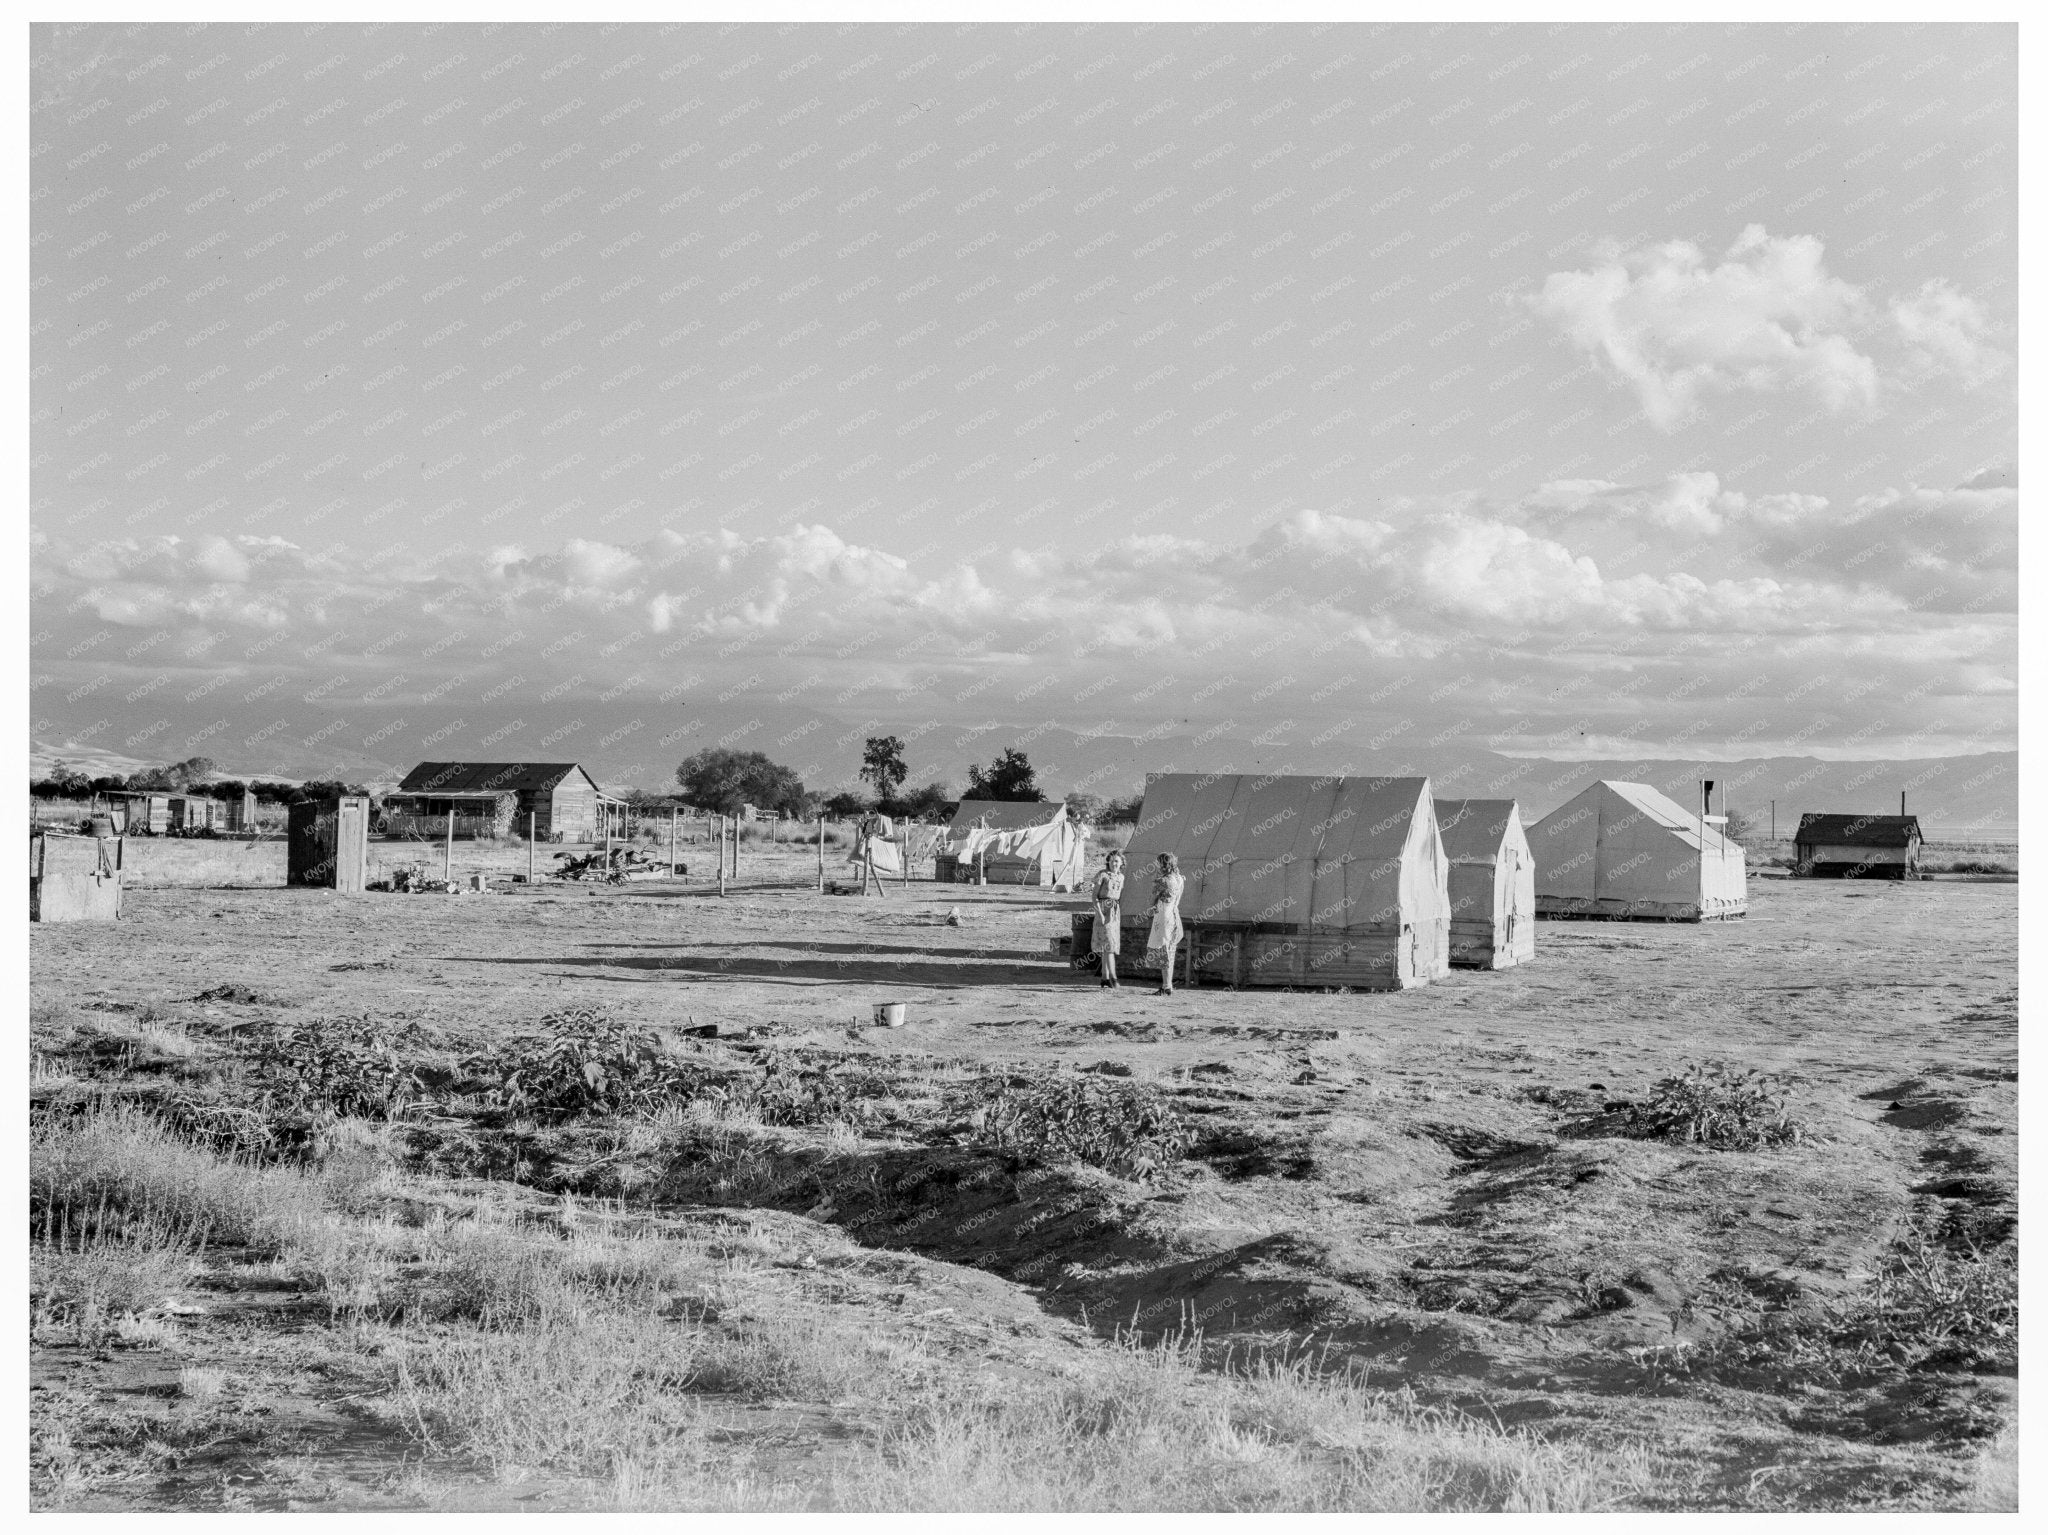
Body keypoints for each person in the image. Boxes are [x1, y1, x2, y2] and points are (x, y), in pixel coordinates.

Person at [1144, 851, 1186, 995]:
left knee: (1164, 949)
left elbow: (1151, 900)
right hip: (1174, 914)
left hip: (1163, 915)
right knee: (1171, 949)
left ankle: (1166, 985)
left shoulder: (1162, 881)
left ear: (1163, 864)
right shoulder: (1180, 879)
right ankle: (1168, 985)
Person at [1090, 850, 1126, 988]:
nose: (1114, 863)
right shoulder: (1102, 875)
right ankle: (1113, 978)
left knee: (1109, 945)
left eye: (1116, 861)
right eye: (1111, 861)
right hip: (1104, 910)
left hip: (1115, 911)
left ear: (1121, 863)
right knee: (1109, 945)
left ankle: (1104, 978)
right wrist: (1099, 913)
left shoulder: (1121, 877)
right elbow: (1094, 896)